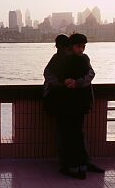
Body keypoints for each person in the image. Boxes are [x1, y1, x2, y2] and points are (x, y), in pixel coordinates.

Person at [43, 33, 104, 179]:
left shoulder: (79, 59)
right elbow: (50, 74)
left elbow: (90, 74)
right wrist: (68, 83)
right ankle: (78, 164)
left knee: (70, 133)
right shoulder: (65, 59)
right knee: (72, 133)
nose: (81, 49)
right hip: (70, 102)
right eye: (79, 46)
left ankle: (74, 165)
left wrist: (74, 83)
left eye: (83, 47)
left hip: (69, 102)